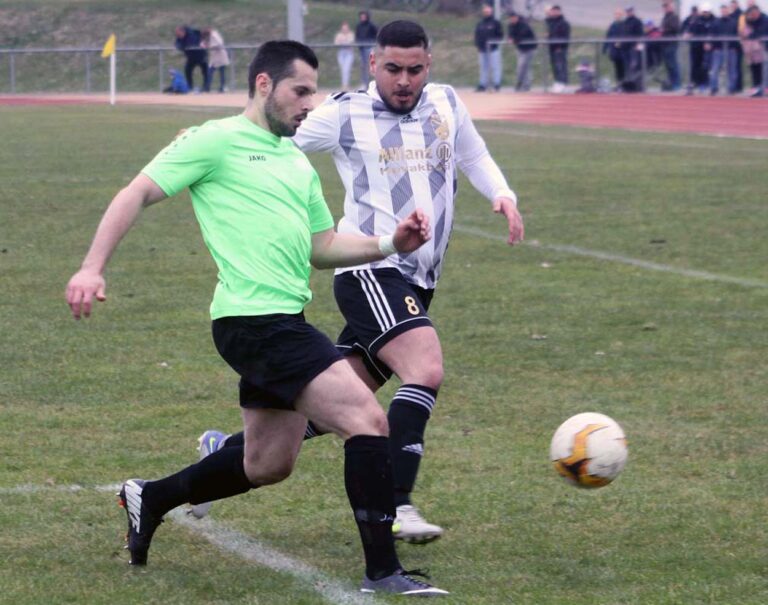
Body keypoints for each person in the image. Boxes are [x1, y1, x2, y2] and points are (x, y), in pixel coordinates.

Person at [64, 39, 447, 597]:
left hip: (279, 318)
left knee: (268, 463)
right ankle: (383, 572)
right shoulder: (213, 141)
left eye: (312, 92)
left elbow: (323, 245)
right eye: (298, 91)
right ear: (264, 85)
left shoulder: (296, 161)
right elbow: (137, 193)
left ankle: (153, 496)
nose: (308, 104)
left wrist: (391, 241)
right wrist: (91, 267)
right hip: (255, 321)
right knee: (368, 420)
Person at [193, 20, 524, 545]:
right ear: (374, 65)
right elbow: (276, 133)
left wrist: (501, 194)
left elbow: (473, 154)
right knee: (425, 366)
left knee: (338, 408)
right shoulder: (346, 113)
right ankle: (399, 502)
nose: (404, 80)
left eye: (414, 69)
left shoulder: (446, 103)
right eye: (393, 68)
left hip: (418, 278)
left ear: (428, 66)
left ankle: (226, 453)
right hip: (369, 269)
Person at [709, 3, 739, 94]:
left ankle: (732, 88)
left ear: (728, 11)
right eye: (722, 10)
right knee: (714, 69)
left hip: (731, 49)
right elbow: (712, 34)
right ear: (720, 11)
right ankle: (714, 88)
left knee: (732, 70)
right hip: (718, 49)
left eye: (725, 10)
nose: (724, 12)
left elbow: (737, 35)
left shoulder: (733, 22)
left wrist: (735, 47)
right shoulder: (715, 22)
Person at [474, 3, 504, 91]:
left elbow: (500, 35)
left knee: (495, 66)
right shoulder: (480, 23)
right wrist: (478, 45)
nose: (486, 11)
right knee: (483, 67)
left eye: (488, 10)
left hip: (493, 49)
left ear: (491, 11)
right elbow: (477, 35)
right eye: (485, 10)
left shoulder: (496, 23)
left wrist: (494, 43)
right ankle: (483, 84)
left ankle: (497, 84)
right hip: (482, 49)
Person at [507, 11, 538, 92]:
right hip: (520, 48)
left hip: (529, 48)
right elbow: (510, 34)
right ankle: (526, 85)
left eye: (514, 17)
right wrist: (510, 38)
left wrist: (514, 40)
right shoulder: (511, 25)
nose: (512, 19)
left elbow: (522, 35)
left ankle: (520, 83)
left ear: (517, 17)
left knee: (522, 66)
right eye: (511, 18)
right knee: (525, 67)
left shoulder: (523, 24)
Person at [174, 25, 209, 92]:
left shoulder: (192, 35)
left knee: (205, 71)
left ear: (183, 32)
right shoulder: (180, 37)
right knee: (187, 70)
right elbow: (177, 43)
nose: (178, 36)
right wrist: (179, 46)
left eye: (179, 34)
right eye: (177, 35)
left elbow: (191, 44)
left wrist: (182, 45)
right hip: (191, 57)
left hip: (200, 55)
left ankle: (206, 87)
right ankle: (190, 86)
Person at [545, 4, 571, 91]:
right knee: (555, 66)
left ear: (559, 12)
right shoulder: (551, 22)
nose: (553, 13)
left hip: (560, 48)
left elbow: (565, 36)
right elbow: (547, 22)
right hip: (552, 47)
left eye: (555, 11)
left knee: (561, 65)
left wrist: (560, 46)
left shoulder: (563, 23)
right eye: (552, 11)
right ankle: (557, 82)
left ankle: (563, 82)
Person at [744, 3, 768, 96]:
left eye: (753, 13)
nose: (752, 16)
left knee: (765, 69)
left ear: (757, 12)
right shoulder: (751, 20)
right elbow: (747, 32)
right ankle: (757, 88)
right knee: (755, 68)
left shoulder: (764, 19)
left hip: (765, 48)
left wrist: (751, 36)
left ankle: (765, 87)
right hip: (754, 51)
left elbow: (760, 32)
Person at [621, 6, 645, 92]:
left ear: (633, 11)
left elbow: (641, 34)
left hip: (633, 47)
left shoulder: (637, 21)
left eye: (629, 11)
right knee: (627, 66)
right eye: (627, 11)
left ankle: (635, 85)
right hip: (625, 48)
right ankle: (628, 85)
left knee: (633, 65)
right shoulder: (625, 22)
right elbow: (623, 34)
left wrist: (638, 44)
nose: (628, 13)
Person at [660, 1, 682, 90]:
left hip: (672, 44)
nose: (665, 8)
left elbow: (676, 28)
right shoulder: (665, 17)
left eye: (667, 6)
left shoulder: (674, 17)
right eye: (664, 7)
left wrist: (665, 30)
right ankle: (671, 83)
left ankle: (677, 84)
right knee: (668, 65)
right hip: (665, 44)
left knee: (673, 64)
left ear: (671, 7)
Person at [201, 27, 230, 93]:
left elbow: (219, 43)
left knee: (221, 73)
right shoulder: (209, 37)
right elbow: (207, 43)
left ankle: (222, 87)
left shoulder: (214, 35)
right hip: (214, 57)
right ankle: (207, 87)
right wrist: (204, 44)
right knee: (210, 72)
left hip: (221, 56)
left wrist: (209, 46)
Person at [604, 8, 626, 90]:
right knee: (617, 68)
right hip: (615, 51)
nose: (617, 16)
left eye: (619, 14)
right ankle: (618, 83)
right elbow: (608, 36)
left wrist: (621, 42)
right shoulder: (612, 25)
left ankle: (623, 84)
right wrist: (605, 48)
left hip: (623, 51)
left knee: (623, 68)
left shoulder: (624, 25)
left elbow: (625, 36)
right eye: (616, 14)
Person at [355, 11, 378, 88]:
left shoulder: (371, 25)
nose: (362, 18)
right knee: (363, 66)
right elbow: (357, 35)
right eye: (361, 16)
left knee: (370, 65)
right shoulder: (359, 26)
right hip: (362, 48)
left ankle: (373, 82)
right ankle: (364, 83)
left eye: (364, 16)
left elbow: (376, 34)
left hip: (369, 47)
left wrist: (372, 42)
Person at [334, 21, 355, 90]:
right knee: (343, 69)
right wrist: (343, 42)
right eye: (343, 28)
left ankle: (345, 85)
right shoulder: (339, 35)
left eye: (346, 28)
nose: (344, 29)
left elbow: (350, 42)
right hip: (341, 53)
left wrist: (343, 41)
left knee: (346, 69)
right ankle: (344, 85)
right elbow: (336, 43)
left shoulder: (351, 34)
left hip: (349, 53)